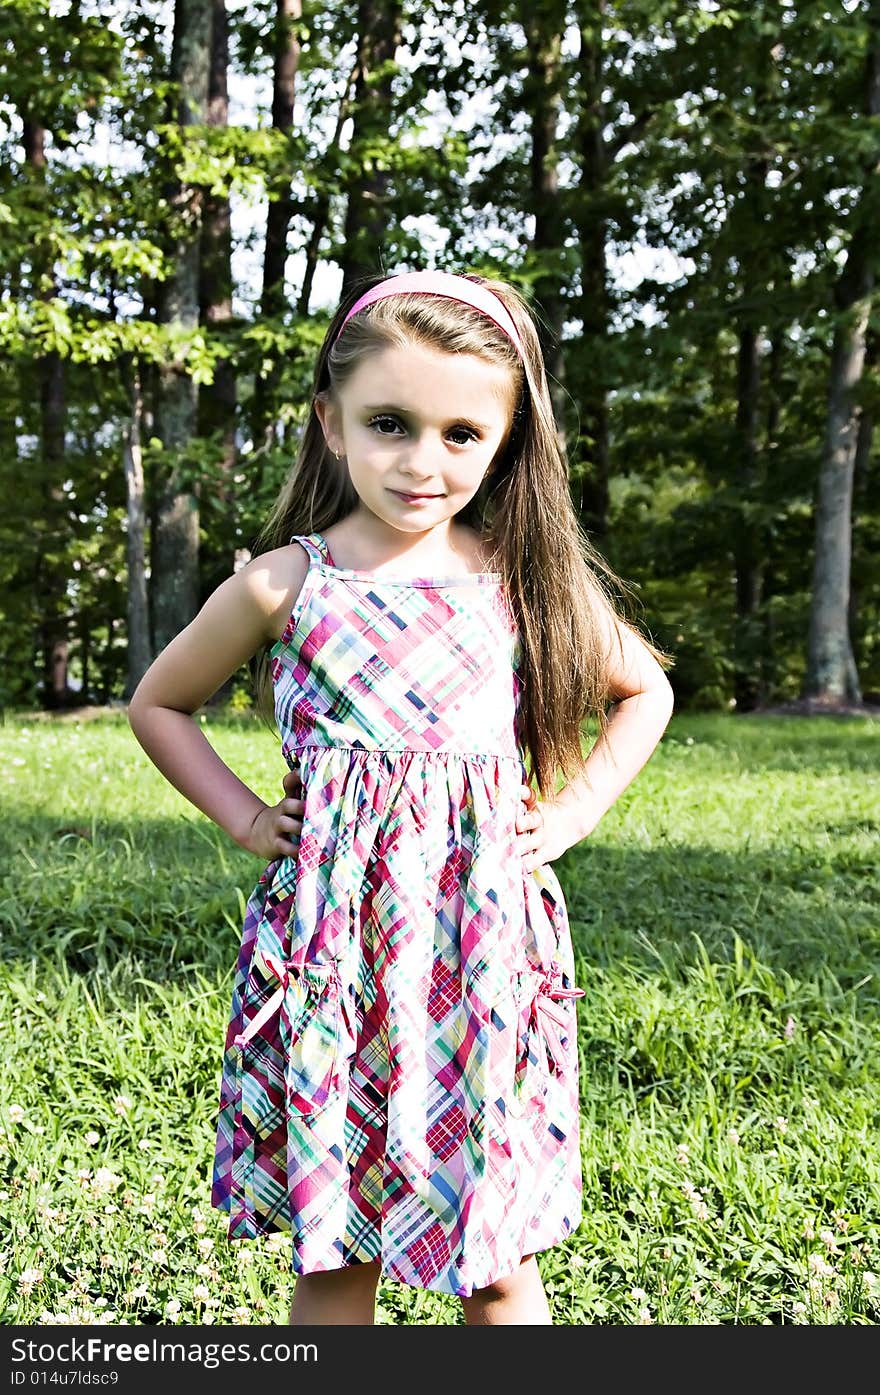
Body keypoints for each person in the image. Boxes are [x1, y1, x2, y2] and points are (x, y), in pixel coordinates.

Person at [127, 268, 674, 1326]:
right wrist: (244, 817)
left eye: (461, 434)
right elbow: (161, 704)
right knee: (337, 1255)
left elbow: (641, 689)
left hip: (477, 957)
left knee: (494, 1252)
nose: (423, 461)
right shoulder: (287, 584)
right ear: (330, 424)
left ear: (507, 439)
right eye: (389, 424)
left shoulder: (520, 583)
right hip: (337, 955)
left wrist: (570, 814)